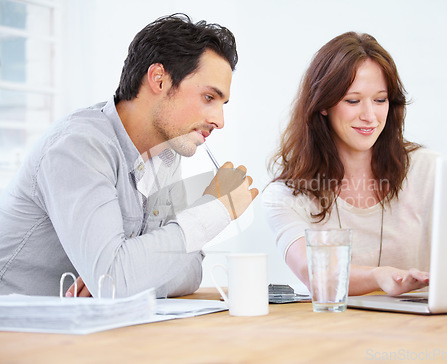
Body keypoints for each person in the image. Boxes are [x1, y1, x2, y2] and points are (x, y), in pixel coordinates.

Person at [0, 14, 258, 298]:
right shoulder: (79, 147)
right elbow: (113, 282)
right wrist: (217, 208)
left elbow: (191, 270)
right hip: (18, 333)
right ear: (159, 80)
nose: (219, 121)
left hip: (88, 331)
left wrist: (129, 274)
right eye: (209, 97)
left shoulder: (166, 157)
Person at [263, 32, 436, 296]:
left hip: (426, 331)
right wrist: (379, 276)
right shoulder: (286, 196)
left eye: (380, 100)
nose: (369, 116)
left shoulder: (430, 171)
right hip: (335, 333)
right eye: (352, 101)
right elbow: (316, 274)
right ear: (323, 104)